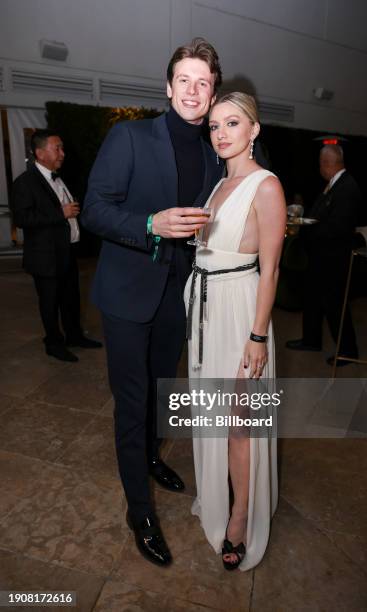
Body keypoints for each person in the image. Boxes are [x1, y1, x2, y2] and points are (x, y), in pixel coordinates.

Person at [81, 38, 223, 567]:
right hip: (125, 293)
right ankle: (138, 510)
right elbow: (94, 209)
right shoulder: (131, 137)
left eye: (203, 82)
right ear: (168, 88)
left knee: (163, 391)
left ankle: (149, 460)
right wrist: (148, 225)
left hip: (178, 293)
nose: (192, 90)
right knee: (133, 399)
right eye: (184, 80)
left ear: (213, 94)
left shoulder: (216, 151)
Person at [184, 92, 286, 570]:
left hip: (240, 313)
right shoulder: (218, 185)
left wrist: (258, 336)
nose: (221, 133)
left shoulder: (266, 186)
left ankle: (241, 518)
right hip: (205, 312)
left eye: (232, 123)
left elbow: (270, 271)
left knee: (239, 423)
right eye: (215, 126)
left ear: (254, 130)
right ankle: (216, 496)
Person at [10, 129, 102, 362]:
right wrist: (59, 213)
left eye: (62, 147)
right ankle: (53, 343)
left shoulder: (59, 178)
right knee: (50, 303)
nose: (63, 153)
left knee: (71, 299)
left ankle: (74, 336)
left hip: (66, 251)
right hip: (44, 256)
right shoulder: (25, 183)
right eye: (57, 148)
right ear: (40, 153)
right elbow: (22, 219)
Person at [286, 145, 360, 366]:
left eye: (321, 164)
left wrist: (308, 228)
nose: (320, 169)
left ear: (328, 164)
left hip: (333, 259)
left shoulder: (347, 187)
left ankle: (348, 351)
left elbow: (338, 227)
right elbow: (321, 215)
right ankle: (311, 340)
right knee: (313, 299)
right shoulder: (334, 184)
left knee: (335, 305)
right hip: (320, 256)